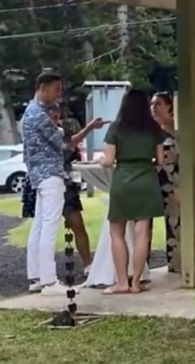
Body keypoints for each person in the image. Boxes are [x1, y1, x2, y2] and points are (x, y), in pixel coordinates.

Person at [21, 104, 103, 276]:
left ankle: (86, 264)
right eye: (50, 117)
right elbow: (68, 145)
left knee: (75, 224)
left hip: (63, 183)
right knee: (44, 227)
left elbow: (71, 146)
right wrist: (89, 128)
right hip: (51, 179)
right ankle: (43, 276)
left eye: (56, 117)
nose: (53, 120)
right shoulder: (46, 134)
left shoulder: (57, 132)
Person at [99, 89, 166, 294]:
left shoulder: (116, 128)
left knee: (117, 233)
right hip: (146, 178)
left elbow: (109, 160)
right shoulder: (154, 128)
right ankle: (136, 282)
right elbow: (161, 161)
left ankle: (121, 282)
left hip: (123, 180)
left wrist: (100, 160)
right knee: (142, 233)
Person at [22, 72, 72, 295]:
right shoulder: (39, 115)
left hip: (38, 176)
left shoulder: (30, 112)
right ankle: (49, 281)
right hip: (49, 175)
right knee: (49, 226)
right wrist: (87, 129)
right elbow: (62, 142)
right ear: (43, 87)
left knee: (40, 225)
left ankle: (36, 276)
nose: (58, 94)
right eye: (56, 89)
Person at [151, 92, 181, 272]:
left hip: (174, 179)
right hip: (155, 177)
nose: (154, 107)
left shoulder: (174, 125)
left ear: (170, 106)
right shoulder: (150, 127)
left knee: (174, 220)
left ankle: (176, 262)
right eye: (152, 104)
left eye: (159, 103)